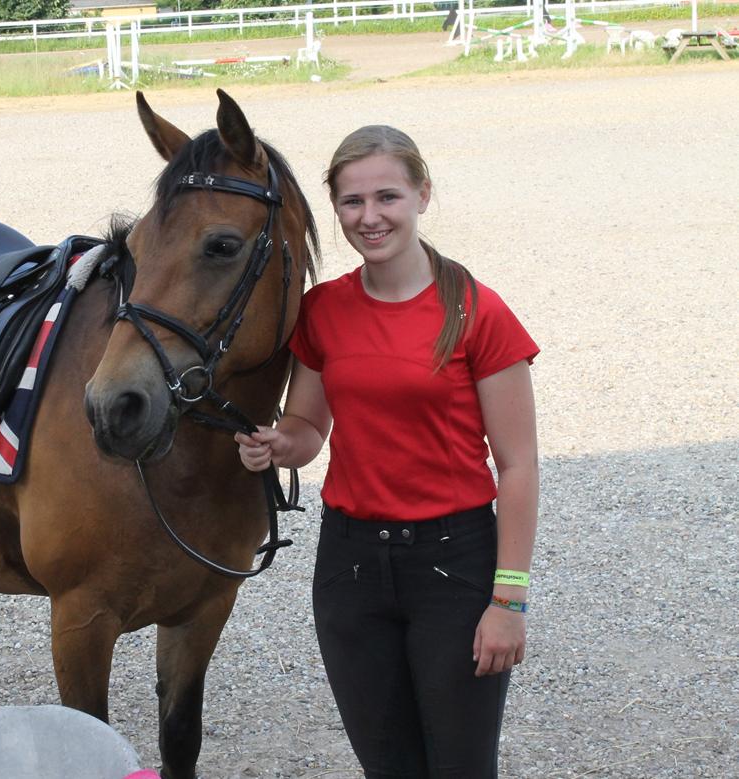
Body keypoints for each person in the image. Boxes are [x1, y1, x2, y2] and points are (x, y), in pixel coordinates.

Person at [235, 125, 539, 778]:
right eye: (352, 202)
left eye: (388, 197)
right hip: (349, 570)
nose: (369, 217)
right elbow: (308, 427)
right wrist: (276, 444)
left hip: (454, 568)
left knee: (459, 766)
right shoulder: (323, 311)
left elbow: (517, 466)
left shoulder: (479, 314)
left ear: (422, 195)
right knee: (389, 767)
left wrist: (507, 601)